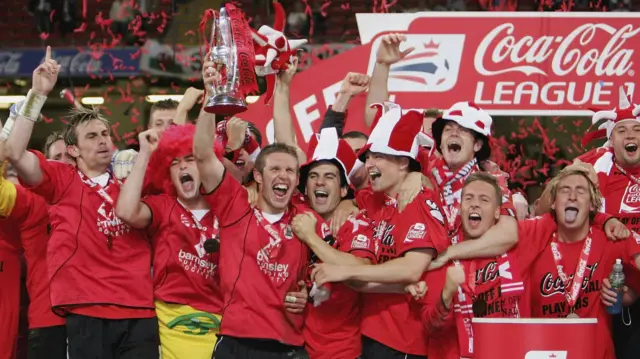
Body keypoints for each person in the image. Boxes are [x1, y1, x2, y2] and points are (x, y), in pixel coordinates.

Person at [5, 46, 157, 359]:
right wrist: (37, 94)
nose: (103, 140)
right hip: (87, 309)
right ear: (73, 151)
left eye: (105, 134)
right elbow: (16, 154)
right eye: (92, 136)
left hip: (139, 308)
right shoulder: (62, 180)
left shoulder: (132, 181)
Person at [194, 53, 325, 359]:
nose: (284, 175)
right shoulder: (235, 204)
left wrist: (283, 88)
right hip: (238, 341)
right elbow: (202, 155)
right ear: (257, 175)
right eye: (275, 170)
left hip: (290, 345)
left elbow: (287, 142)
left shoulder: (304, 217)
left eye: (291, 171)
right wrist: (210, 96)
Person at [311, 102, 447, 359]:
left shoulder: (417, 201)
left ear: (403, 163)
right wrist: (347, 202)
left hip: (404, 341)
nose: (369, 164)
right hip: (372, 335)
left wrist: (345, 271)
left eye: (379, 156)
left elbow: (412, 269)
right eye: (368, 157)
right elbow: (354, 195)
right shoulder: (375, 199)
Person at [115, 124, 224, 359]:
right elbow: (125, 211)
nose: (182, 165)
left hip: (219, 321)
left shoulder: (226, 209)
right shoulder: (163, 205)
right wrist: (144, 153)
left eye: (190, 159)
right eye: (174, 163)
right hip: (170, 321)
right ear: (167, 174)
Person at [551, 86, 640, 359]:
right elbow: (564, 208)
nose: (631, 136)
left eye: (637, 130)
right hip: (612, 291)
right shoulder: (595, 172)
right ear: (611, 141)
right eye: (622, 131)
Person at [527, 167, 640, 359]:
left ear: (592, 206)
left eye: (580, 191)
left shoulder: (610, 240)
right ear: (553, 204)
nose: (572, 196)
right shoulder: (534, 245)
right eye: (564, 190)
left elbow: (634, 283)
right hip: (545, 353)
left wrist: (629, 294)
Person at [291, 127, 377, 359]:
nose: (320, 182)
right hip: (295, 346)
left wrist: (311, 237)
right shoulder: (296, 213)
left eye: (329, 177)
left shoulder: (356, 222)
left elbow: (363, 269)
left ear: (342, 189)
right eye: (313, 176)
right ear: (305, 188)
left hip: (342, 351)